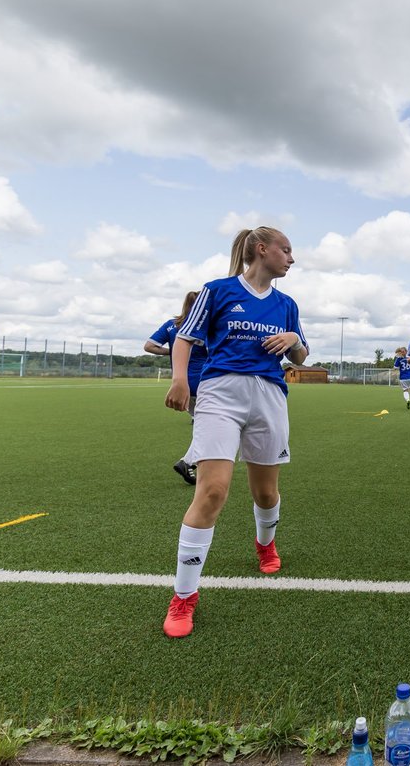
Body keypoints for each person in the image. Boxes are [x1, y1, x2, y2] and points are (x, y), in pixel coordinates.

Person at [161, 227, 309, 638]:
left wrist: (295, 339)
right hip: (219, 393)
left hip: (269, 396)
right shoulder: (218, 290)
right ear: (262, 250)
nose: (291, 259)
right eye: (287, 250)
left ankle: (266, 545)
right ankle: (184, 597)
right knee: (212, 491)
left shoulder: (286, 304)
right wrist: (179, 380)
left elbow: (301, 354)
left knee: (265, 493)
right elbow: (184, 338)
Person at [144, 291, 209, 484]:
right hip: (204, 381)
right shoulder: (204, 326)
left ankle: (192, 463)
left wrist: (172, 351)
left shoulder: (172, 324)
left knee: (203, 425)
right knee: (212, 428)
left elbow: (149, 346)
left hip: (181, 383)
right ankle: (188, 461)